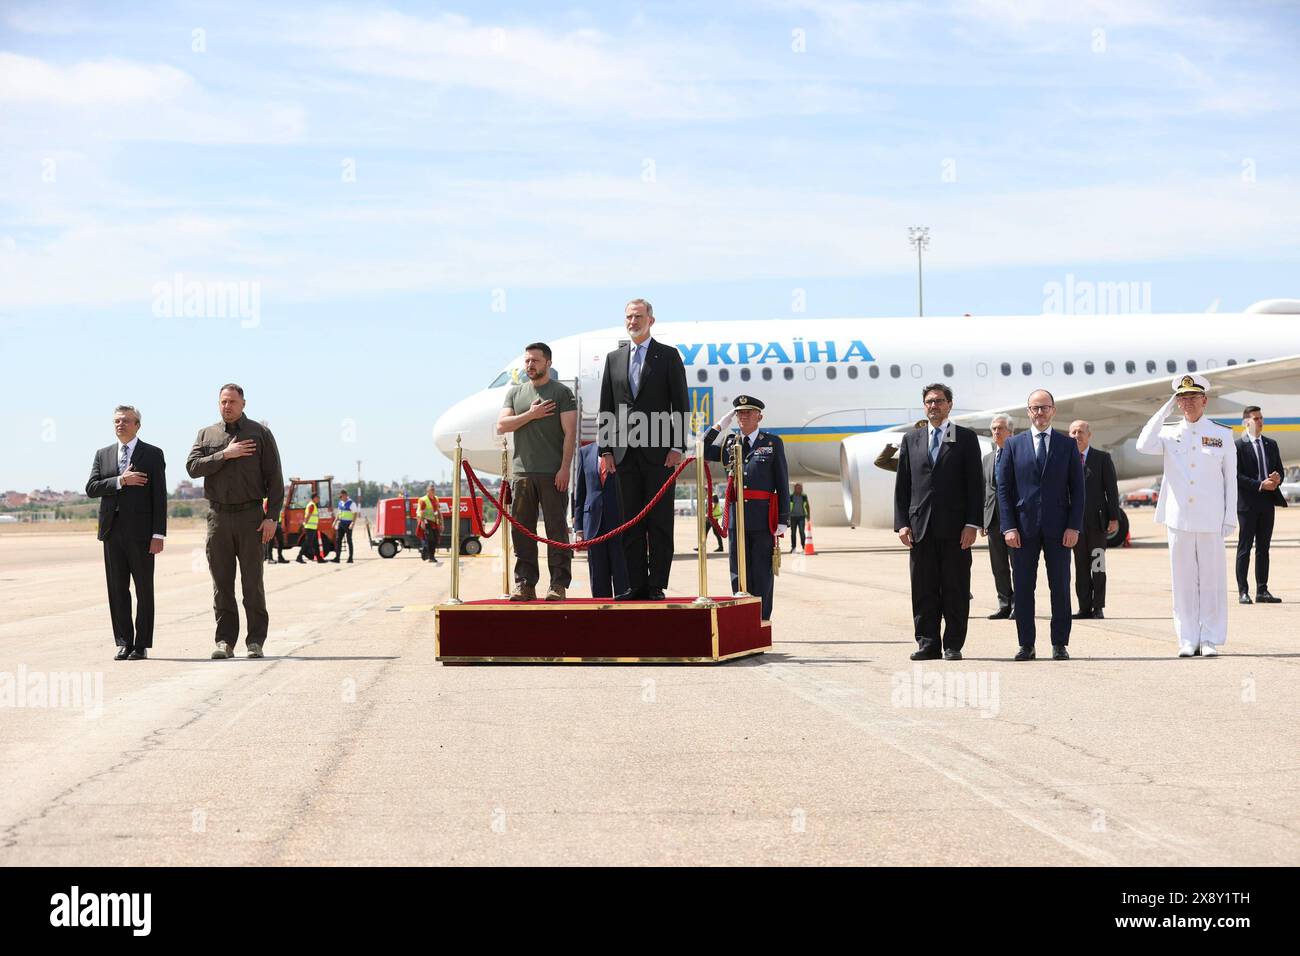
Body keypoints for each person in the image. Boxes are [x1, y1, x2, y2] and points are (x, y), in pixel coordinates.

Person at [1136, 375, 1237, 657]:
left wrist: (1230, 517)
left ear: (1204, 400)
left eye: (1193, 398)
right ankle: (1187, 638)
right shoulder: (1168, 432)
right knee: (1182, 581)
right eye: (1183, 398)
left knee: (1212, 580)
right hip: (1178, 518)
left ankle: (1210, 638)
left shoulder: (1222, 434)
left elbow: (1231, 480)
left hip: (1210, 518)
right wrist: (1165, 409)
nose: (1188, 403)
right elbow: (1142, 444)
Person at [598, 298, 690, 601]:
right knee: (631, 522)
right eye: (628, 317)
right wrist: (605, 450)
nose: (632, 322)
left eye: (638, 316)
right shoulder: (613, 359)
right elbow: (607, 408)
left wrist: (678, 446)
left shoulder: (668, 356)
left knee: (660, 522)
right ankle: (635, 584)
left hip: (660, 453)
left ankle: (656, 584)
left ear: (651, 320)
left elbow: (681, 404)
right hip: (625, 454)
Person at [186, 383, 284, 660]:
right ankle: (225, 642)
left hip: (251, 517)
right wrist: (224, 454)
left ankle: (255, 642)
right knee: (222, 584)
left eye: (232, 401)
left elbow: (275, 480)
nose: (227, 406)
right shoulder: (206, 434)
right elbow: (192, 468)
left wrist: (271, 518)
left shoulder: (260, 433)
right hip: (218, 518)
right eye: (223, 402)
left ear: (243, 403)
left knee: (252, 583)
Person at [893, 384, 983, 661]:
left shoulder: (965, 438)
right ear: (924, 406)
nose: (935, 406)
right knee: (923, 588)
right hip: (921, 529)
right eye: (930, 402)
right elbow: (903, 486)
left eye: (940, 401)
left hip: (956, 529)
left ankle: (953, 644)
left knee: (955, 587)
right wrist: (902, 523)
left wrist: (972, 523)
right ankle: (927, 643)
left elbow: (975, 485)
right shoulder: (912, 439)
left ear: (950, 405)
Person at [997, 389, 1085, 661]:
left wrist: (1074, 526)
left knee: (1060, 586)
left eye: (1044, 408)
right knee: (1023, 588)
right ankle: (1026, 644)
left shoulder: (1067, 445)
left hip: (1059, 529)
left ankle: (1060, 643)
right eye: (1035, 408)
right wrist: (1008, 526)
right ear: (1028, 412)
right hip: (1023, 530)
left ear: (1053, 411)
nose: (1040, 413)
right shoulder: (1013, 445)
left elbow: (1078, 490)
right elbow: (1003, 489)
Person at [86, 405, 166, 661]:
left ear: (137, 425)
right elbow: (92, 487)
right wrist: (121, 480)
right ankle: (123, 641)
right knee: (117, 589)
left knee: (144, 589)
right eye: (117, 421)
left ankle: (141, 644)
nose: (120, 425)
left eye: (126, 421)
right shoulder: (103, 454)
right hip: (112, 532)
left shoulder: (152, 454)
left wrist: (158, 534)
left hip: (142, 534)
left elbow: (159, 497)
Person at [497, 342, 577, 601]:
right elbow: (502, 425)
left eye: (535, 361)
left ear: (548, 363)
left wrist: (565, 468)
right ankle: (525, 584)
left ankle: (558, 585)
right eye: (527, 361)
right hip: (522, 474)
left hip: (553, 474)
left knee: (556, 530)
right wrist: (531, 415)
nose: (530, 365)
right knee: (522, 532)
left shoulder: (562, 393)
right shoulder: (515, 393)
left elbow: (570, 433)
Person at [703, 396, 790, 622]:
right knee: (738, 573)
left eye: (748, 412)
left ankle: (761, 621)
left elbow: (781, 481)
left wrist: (783, 519)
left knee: (762, 573)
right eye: (739, 413)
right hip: (736, 518)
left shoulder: (771, 443)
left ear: (759, 416)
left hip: (763, 519)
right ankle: (742, 620)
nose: (743, 416)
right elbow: (700, 449)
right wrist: (718, 427)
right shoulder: (730, 444)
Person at [1068, 420, 1120, 620]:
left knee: (1097, 565)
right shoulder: (1065, 459)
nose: (1076, 435)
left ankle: (1098, 607)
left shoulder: (1102, 458)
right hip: (1075, 525)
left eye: (1080, 432)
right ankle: (1083, 607)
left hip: (1098, 524)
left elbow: (1111, 491)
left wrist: (1114, 517)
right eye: (1073, 432)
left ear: (1089, 435)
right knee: (1080, 566)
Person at [1235, 405, 1286, 604]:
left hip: (1267, 503)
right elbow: (1236, 476)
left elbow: (1279, 470)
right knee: (1245, 548)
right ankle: (1243, 591)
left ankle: (1262, 590)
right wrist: (1260, 484)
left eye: (1261, 418)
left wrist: (1277, 478)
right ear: (1246, 422)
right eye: (1256, 418)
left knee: (1263, 548)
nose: (1260, 421)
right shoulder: (1238, 446)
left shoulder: (1271, 444)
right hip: (1247, 504)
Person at [572, 441, 629, 599]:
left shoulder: (622, 450)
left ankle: (624, 612)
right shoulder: (585, 452)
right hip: (593, 524)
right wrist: (579, 529)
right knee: (598, 578)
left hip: (620, 522)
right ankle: (601, 615)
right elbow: (581, 493)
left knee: (622, 575)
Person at [981, 414, 1015, 620]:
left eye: (1000, 428)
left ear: (1010, 432)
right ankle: (1004, 604)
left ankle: (1019, 605)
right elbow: (984, 490)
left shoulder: (1019, 455)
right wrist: (982, 520)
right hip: (993, 519)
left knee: (1017, 565)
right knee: (999, 565)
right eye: (993, 429)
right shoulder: (987, 459)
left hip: (1014, 520)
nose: (996, 432)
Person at [416, 484, 442, 564]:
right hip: (426, 521)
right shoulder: (423, 500)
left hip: (434, 522)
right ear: (427, 491)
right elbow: (421, 513)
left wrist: (441, 522)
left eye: (434, 490)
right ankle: (429, 555)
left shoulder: (436, 498)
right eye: (431, 490)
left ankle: (431, 556)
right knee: (430, 539)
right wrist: (422, 522)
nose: (433, 491)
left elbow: (438, 511)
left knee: (435, 540)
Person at [296, 492, 325, 564]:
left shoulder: (313, 505)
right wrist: (304, 524)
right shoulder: (312, 505)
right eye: (317, 497)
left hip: (312, 527)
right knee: (307, 543)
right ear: (314, 498)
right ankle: (299, 557)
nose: (319, 499)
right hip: (310, 527)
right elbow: (308, 515)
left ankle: (319, 558)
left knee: (315, 543)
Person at [332, 488, 357, 564]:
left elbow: (355, 514)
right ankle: (337, 557)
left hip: (348, 524)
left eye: (342, 496)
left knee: (349, 541)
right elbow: (339, 513)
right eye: (340, 497)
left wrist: (353, 523)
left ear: (346, 495)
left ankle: (350, 558)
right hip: (341, 524)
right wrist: (335, 521)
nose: (341, 498)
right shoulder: (340, 503)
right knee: (338, 540)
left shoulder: (351, 503)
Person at [264, 497, 288, 564]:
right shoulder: (267, 500)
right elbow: (265, 510)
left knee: (281, 541)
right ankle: (270, 558)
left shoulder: (276, 498)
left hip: (277, 523)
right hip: (271, 522)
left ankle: (280, 557)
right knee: (270, 542)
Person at [788, 482, 810, 553]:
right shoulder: (791, 496)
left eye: (800, 488)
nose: (799, 489)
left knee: (802, 532)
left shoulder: (804, 496)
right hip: (793, 517)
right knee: (793, 533)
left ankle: (804, 547)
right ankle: (793, 547)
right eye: (797, 488)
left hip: (801, 517)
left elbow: (807, 506)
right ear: (795, 489)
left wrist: (808, 515)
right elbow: (788, 507)